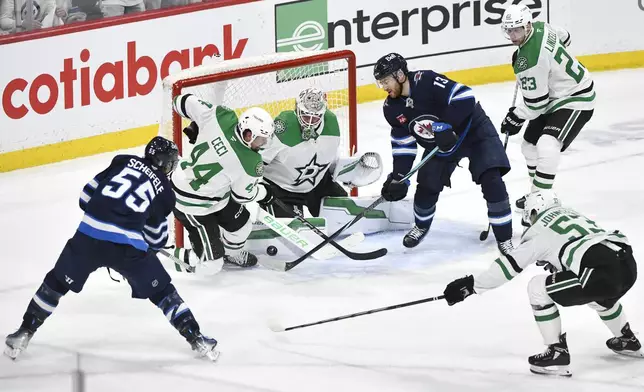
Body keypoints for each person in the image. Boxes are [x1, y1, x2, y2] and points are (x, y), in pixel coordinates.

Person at [4, 136, 219, 361]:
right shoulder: (165, 192)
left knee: (56, 283)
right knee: (162, 292)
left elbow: (85, 196)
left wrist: (106, 212)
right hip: (127, 249)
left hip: (88, 237)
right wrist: (142, 238)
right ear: (167, 163)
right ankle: (197, 339)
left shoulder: (122, 161)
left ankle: (24, 332)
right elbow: (157, 239)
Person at [443, 191, 641, 376]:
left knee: (538, 288)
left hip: (598, 272)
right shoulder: (572, 214)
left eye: (529, 216)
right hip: (626, 265)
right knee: (599, 294)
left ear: (536, 211)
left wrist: (472, 286)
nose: (529, 222)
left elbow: (508, 267)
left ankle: (557, 353)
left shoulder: (540, 230)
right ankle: (627, 339)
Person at [375, 52, 513, 254]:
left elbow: (465, 95)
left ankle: (505, 238)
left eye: (386, 81)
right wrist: (399, 177)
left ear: (400, 75)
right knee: (427, 186)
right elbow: (403, 145)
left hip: (474, 131)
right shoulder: (391, 109)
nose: (384, 87)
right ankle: (421, 226)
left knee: (492, 180)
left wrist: (446, 125)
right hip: (439, 144)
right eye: (380, 83)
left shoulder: (427, 80)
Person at [499, 4, 595, 209]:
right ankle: (536, 194)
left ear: (527, 25)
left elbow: (536, 104)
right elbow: (566, 37)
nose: (513, 36)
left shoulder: (529, 61)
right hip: (555, 97)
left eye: (517, 29)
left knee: (547, 144)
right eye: (509, 30)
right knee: (529, 146)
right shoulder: (542, 27)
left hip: (576, 96)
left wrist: (515, 116)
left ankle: (543, 200)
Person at [171, 93, 275, 269]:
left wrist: (200, 124)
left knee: (242, 227)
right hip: (190, 203)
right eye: (260, 139)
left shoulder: (221, 117)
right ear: (247, 133)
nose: (263, 143)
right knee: (212, 266)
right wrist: (264, 192)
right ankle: (174, 255)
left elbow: (180, 101)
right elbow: (242, 196)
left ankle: (230, 254)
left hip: (216, 195)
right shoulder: (250, 162)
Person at [262, 87, 382, 218]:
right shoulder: (283, 127)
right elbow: (257, 159)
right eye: (306, 115)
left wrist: (345, 172)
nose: (309, 122)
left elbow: (329, 157)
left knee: (345, 216)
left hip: (317, 184)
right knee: (289, 232)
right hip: (282, 190)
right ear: (297, 109)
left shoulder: (331, 124)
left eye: (315, 117)